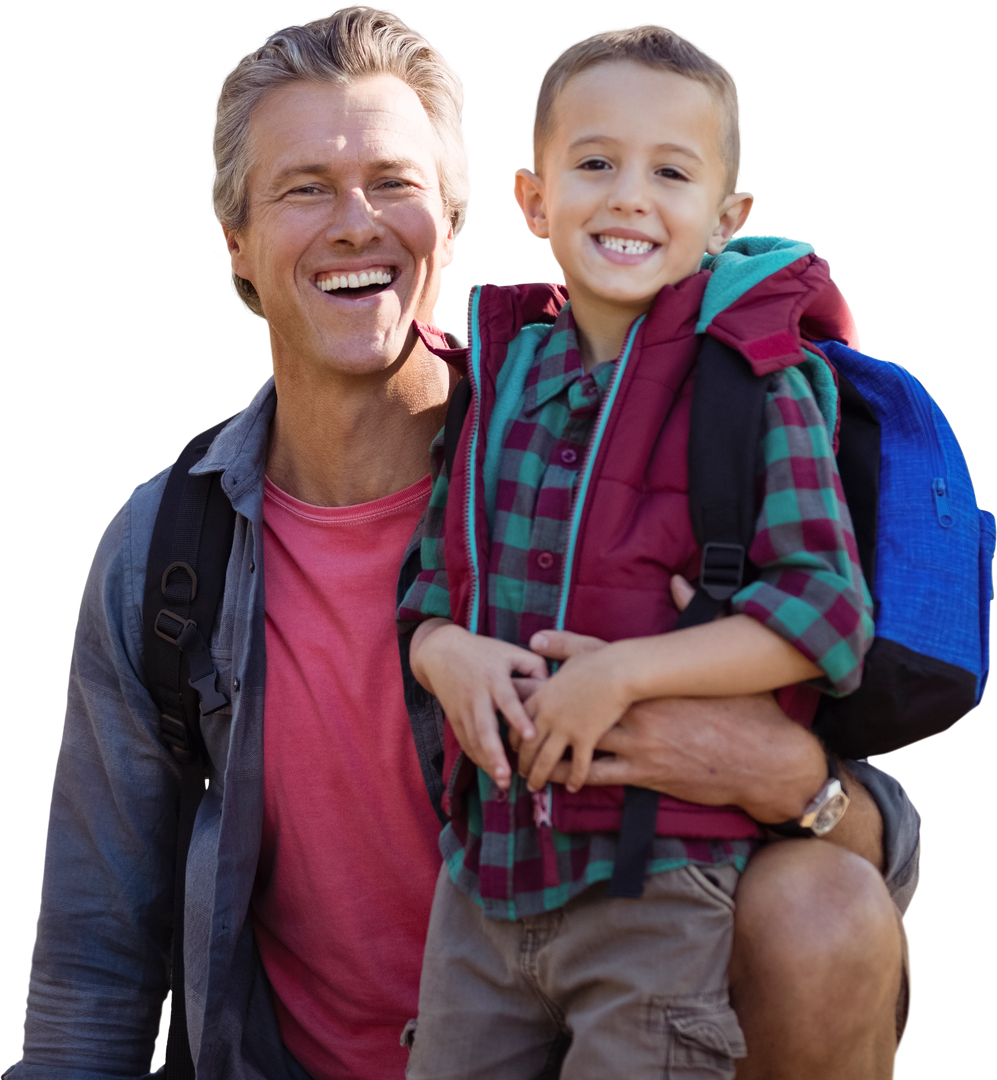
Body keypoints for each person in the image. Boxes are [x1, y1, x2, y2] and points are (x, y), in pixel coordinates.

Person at [7, 7, 921, 1080]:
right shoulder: (166, 548)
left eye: (393, 183)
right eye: (305, 187)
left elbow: (885, 852)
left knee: (822, 905)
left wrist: (787, 780)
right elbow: (93, 957)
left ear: (458, 217)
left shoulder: (618, 458)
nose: (356, 224)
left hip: (618, 1028)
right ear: (237, 244)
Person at [396, 20, 900, 1078]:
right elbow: (435, 576)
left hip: (658, 880)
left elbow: (824, 613)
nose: (629, 196)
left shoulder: (758, 380)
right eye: (595, 164)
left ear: (727, 219)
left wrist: (625, 674)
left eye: (669, 171)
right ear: (534, 200)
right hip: (483, 881)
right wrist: (440, 647)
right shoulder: (498, 376)